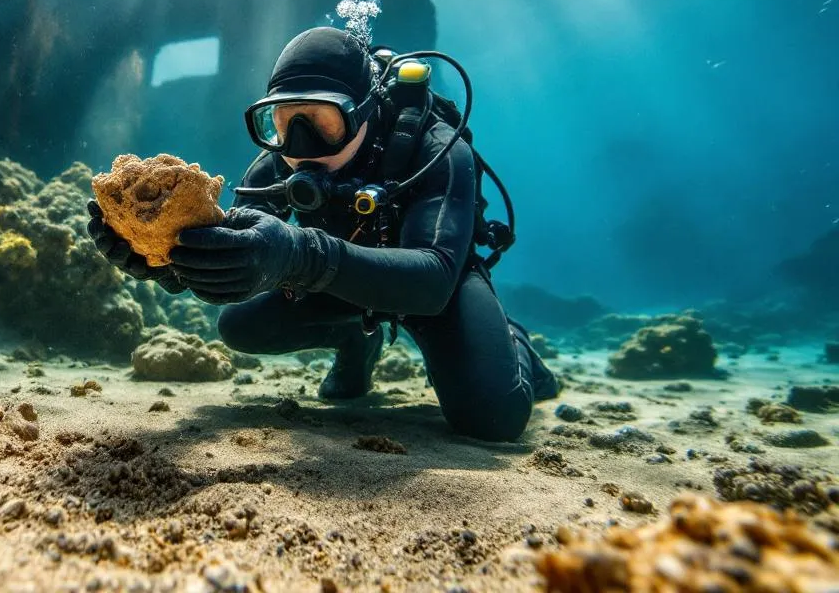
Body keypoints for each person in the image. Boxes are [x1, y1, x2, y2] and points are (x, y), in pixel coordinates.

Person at [87, 26, 558, 442]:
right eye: (283, 121)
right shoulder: (275, 163)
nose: (299, 145)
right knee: (240, 325)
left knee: (492, 418)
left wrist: (300, 255)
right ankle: (355, 340)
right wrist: (168, 263)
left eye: (322, 121)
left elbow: (434, 278)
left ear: (365, 110)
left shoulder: (436, 149)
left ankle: (514, 342)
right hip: (341, 286)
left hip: (436, 289)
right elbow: (235, 250)